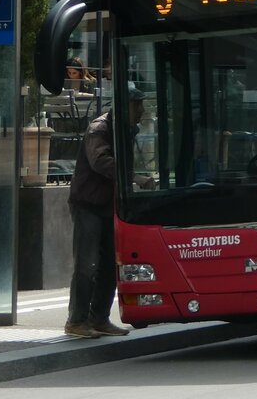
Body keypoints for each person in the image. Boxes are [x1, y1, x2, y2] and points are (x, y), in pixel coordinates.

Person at [64, 87, 152, 339]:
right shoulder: (99, 129)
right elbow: (101, 161)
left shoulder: (125, 129)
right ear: (125, 106)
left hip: (107, 204)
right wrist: (134, 178)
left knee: (109, 265)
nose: (142, 111)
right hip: (88, 204)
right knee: (87, 264)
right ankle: (76, 320)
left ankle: (99, 317)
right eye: (138, 106)